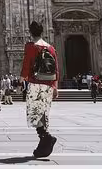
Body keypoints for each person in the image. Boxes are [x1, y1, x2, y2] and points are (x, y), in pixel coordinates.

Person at [20, 20, 59, 159]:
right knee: (42, 114)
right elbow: (56, 68)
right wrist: (55, 86)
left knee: (35, 115)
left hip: (36, 83)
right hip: (49, 84)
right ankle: (44, 143)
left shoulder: (31, 46)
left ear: (30, 32)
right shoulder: (50, 47)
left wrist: (22, 79)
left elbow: (26, 64)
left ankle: (46, 139)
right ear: (42, 32)